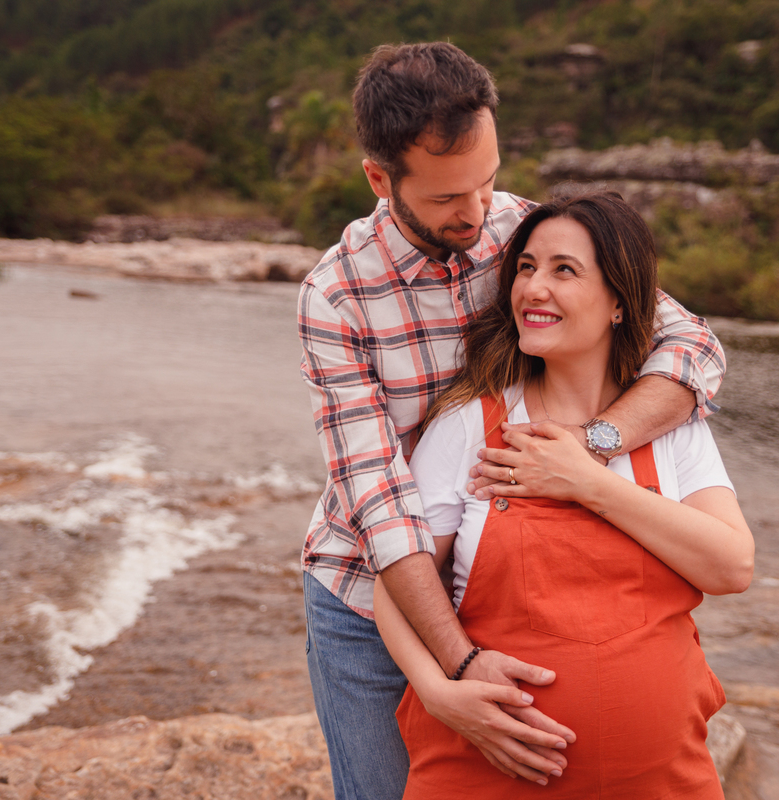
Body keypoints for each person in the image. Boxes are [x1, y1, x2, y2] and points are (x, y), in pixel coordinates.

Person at [297, 43, 727, 800]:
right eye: (446, 199)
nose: (478, 212)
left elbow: (692, 345)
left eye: (488, 181)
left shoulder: (530, 235)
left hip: (493, 571)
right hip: (374, 593)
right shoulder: (335, 297)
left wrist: (595, 446)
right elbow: (380, 504)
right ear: (379, 178)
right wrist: (450, 674)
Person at [374, 191, 753, 798]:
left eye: (564, 270)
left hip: (661, 783)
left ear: (621, 307)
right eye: (526, 267)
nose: (533, 289)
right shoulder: (469, 425)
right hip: (484, 776)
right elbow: (398, 579)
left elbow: (732, 565)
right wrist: (441, 689)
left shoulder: (674, 429)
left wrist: (586, 479)